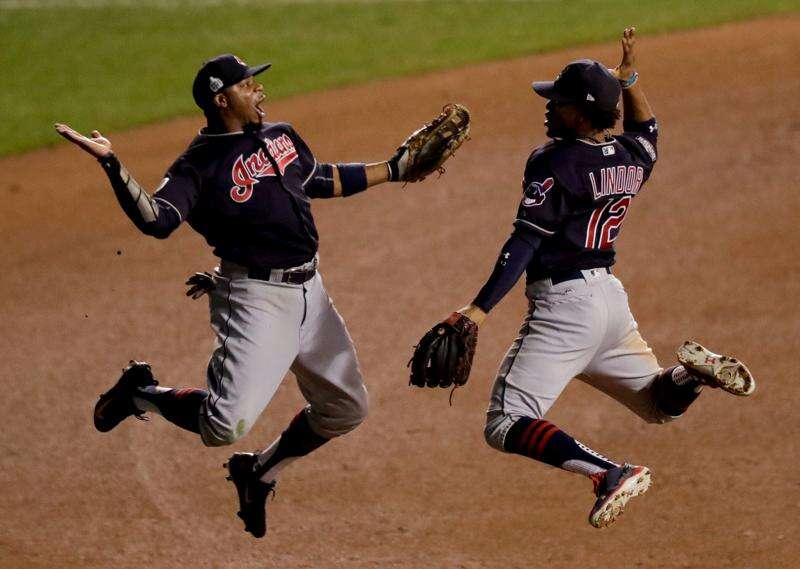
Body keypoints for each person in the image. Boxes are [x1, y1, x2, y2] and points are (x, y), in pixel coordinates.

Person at [54, 54, 432, 538]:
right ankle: (141, 393)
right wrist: (111, 163)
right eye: (249, 85)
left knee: (346, 409)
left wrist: (395, 169)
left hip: (311, 293)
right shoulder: (199, 165)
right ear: (221, 98)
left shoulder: (280, 135)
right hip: (255, 298)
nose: (260, 92)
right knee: (222, 426)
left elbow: (320, 179)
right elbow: (157, 219)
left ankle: (259, 471)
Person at [450, 28, 756, 528]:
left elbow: (524, 242)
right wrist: (629, 78)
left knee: (505, 423)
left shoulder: (553, 162)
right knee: (661, 404)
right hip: (609, 304)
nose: (550, 108)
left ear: (582, 111)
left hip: (564, 311)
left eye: (561, 102)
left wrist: (478, 310)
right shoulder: (632, 160)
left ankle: (608, 474)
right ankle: (689, 375)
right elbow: (647, 129)